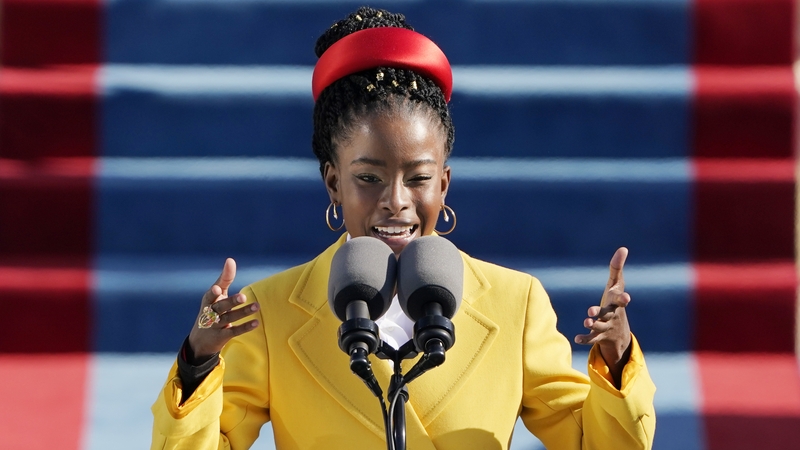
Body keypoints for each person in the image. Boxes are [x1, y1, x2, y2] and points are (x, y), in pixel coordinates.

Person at [151, 7, 656, 450]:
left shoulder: (515, 303)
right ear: (333, 182)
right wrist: (197, 361)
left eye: (418, 178)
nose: (396, 202)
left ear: (444, 183)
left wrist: (616, 362)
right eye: (368, 178)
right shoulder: (273, 313)